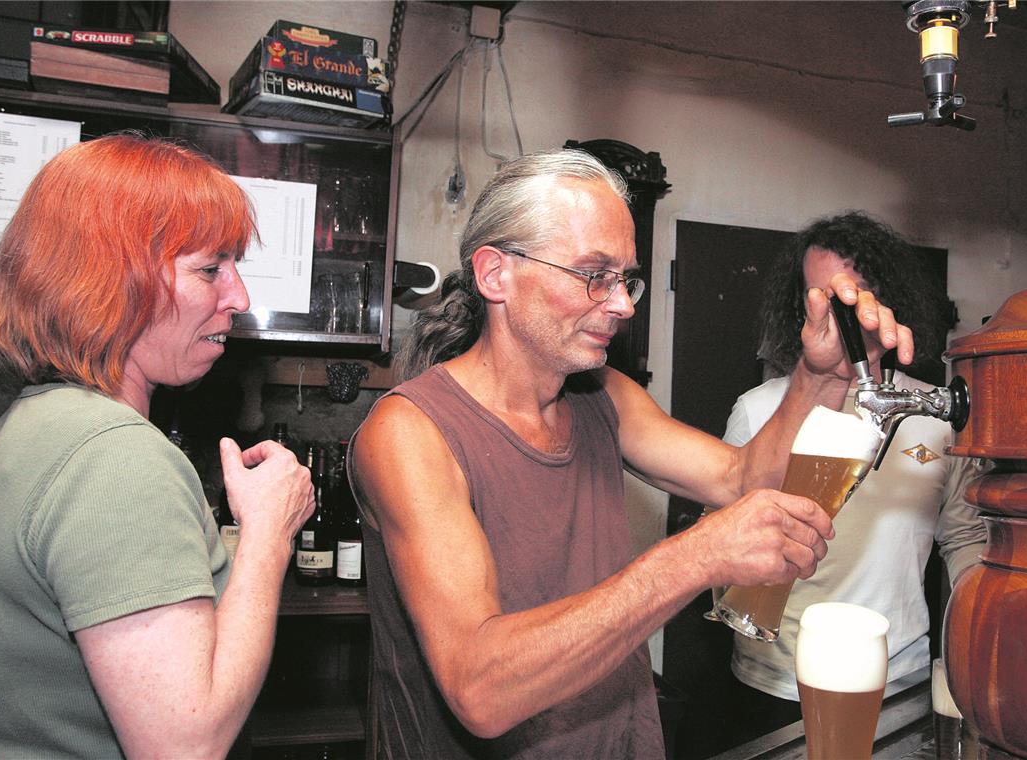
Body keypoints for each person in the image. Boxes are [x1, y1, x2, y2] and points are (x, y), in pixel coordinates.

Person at [348, 150, 915, 759]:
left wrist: (817, 375)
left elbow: (740, 477)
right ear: (495, 275)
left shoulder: (602, 397)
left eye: (627, 279)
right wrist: (695, 556)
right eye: (594, 274)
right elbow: (480, 686)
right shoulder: (411, 432)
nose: (623, 305)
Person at [0, 134, 315, 758]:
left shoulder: (32, 427)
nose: (240, 299)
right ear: (112, 280)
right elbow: (185, 744)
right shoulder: (114, 456)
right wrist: (269, 533)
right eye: (210, 269)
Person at [722, 211, 987, 737]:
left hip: (899, 675)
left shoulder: (933, 415)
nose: (837, 312)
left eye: (853, 294)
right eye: (818, 296)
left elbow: (964, 538)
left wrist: (980, 640)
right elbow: (721, 533)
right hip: (777, 679)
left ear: (885, 302)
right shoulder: (759, 411)